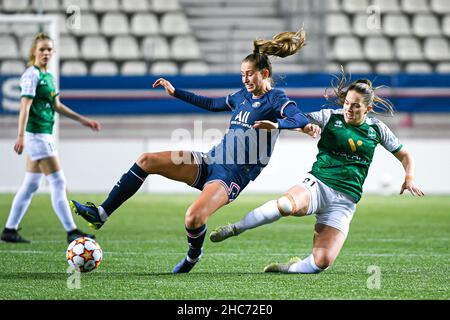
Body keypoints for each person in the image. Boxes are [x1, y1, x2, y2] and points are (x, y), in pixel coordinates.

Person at [70, 28, 320, 273]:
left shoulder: (276, 98)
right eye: (242, 74)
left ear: (264, 73)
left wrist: (279, 124)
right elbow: (211, 104)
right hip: (210, 160)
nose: (245, 79)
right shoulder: (241, 96)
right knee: (146, 160)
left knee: (193, 218)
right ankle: (101, 213)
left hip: (230, 177)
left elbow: (298, 118)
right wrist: (175, 92)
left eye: (250, 74)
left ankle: (193, 256)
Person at [209, 68, 425, 274]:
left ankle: (289, 267)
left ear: (367, 109)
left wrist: (409, 177)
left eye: (355, 106)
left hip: (345, 201)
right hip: (318, 184)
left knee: (321, 263)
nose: (348, 109)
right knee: (285, 205)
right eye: (347, 103)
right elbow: (299, 120)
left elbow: (405, 155)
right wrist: (297, 127)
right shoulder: (331, 117)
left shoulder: (377, 129)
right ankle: (236, 228)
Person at [1, 33, 101, 244]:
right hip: (37, 135)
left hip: (43, 134)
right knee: (58, 181)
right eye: (42, 49)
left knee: (31, 184)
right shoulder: (31, 75)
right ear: (34, 52)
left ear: (53, 52)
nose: (46, 53)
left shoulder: (49, 77)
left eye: (49, 49)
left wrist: (83, 120)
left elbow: (57, 107)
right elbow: (24, 107)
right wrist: (20, 136)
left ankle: (9, 229)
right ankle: (71, 230)